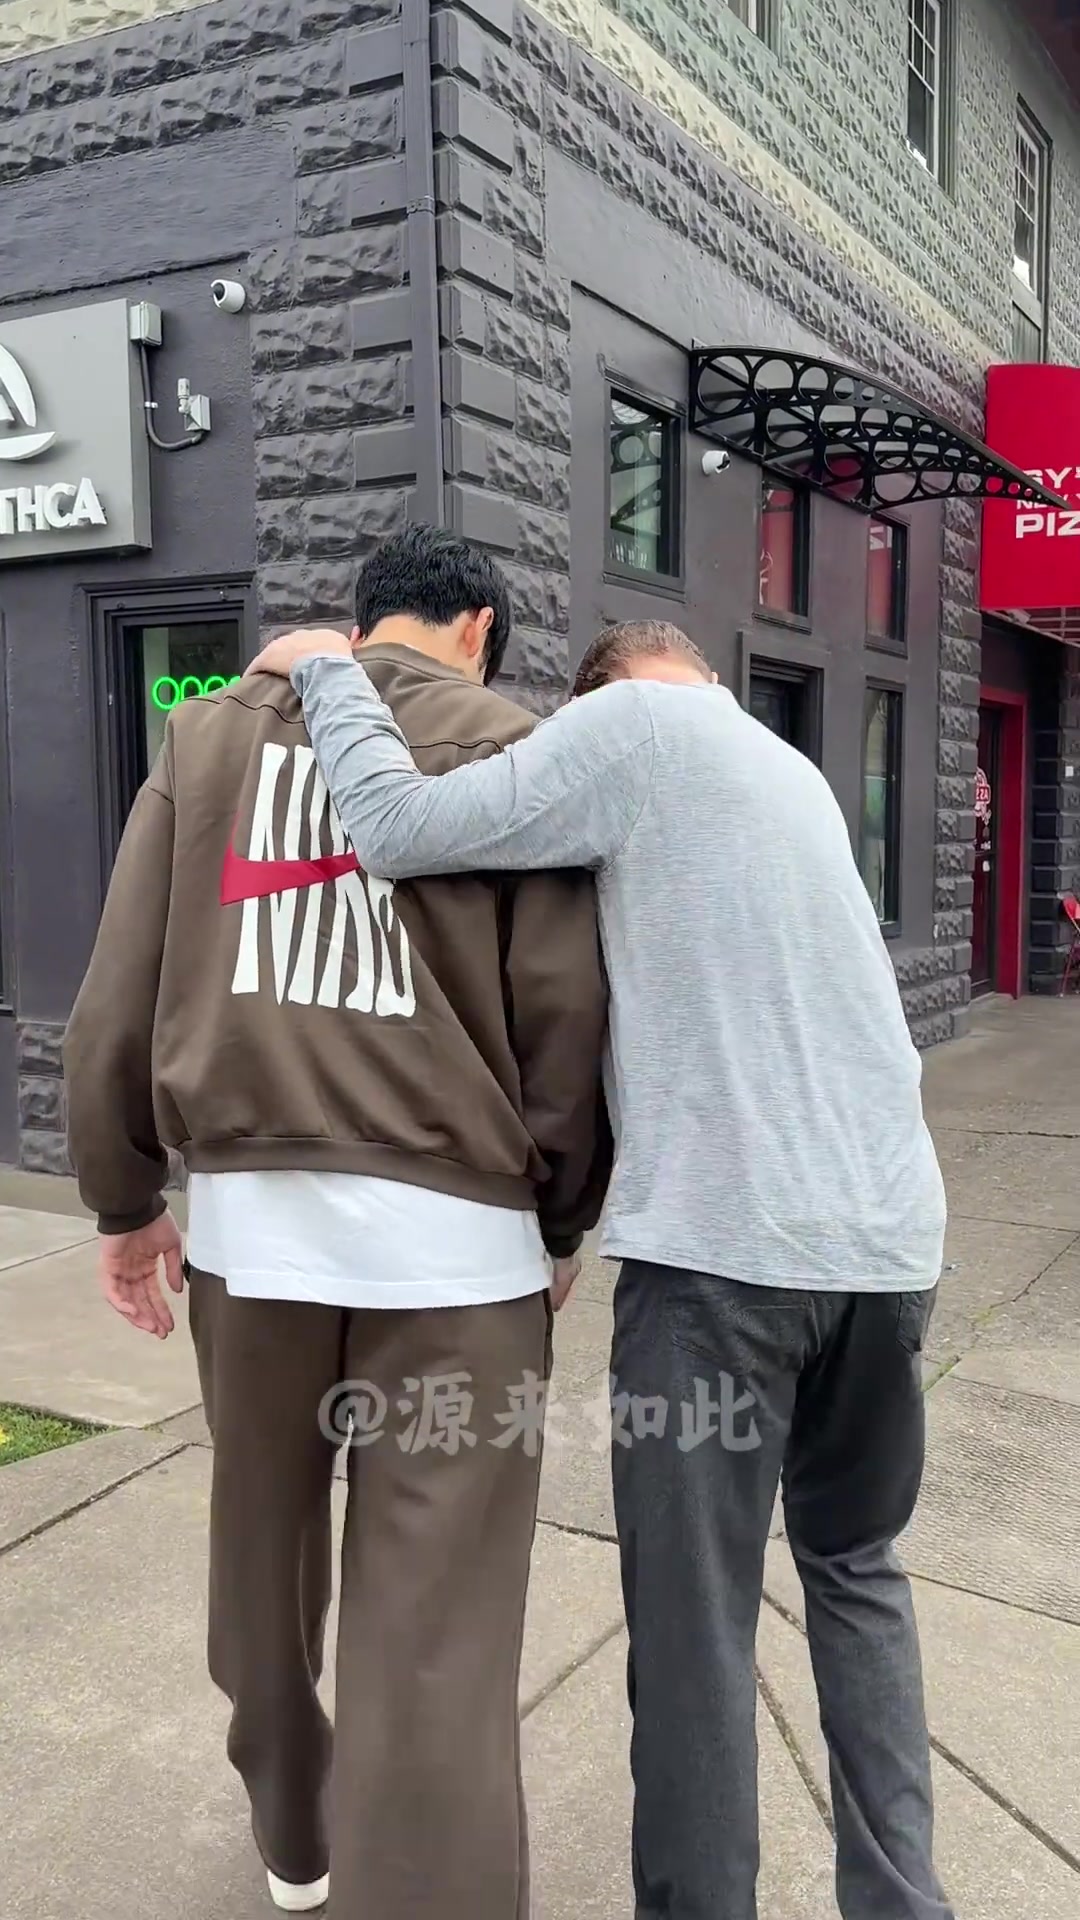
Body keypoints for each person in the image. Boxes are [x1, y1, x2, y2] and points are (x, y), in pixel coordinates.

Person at [248, 610, 954, 1920]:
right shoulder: (790, 771)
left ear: (601, 692)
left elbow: (396, 827)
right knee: (859, 1577)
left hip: (726, 1268)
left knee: (692, 1633)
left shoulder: (627, 728)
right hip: (892, 1247)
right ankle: (906, 1904)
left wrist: (329, 668)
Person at [63, 525, 610, 1920]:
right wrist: (561, 1220)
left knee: (260, 1557)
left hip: (254, 1239)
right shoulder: (519, 747)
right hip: (461, 1251)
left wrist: (125, 1200)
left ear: (359, 622)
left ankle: (295, 1836)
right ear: (478, 630)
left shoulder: (207, 742)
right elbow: (565, 1021)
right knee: (435, 1621)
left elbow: (119, 992)